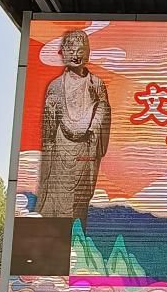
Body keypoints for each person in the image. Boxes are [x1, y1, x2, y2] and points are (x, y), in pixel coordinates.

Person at [36, 29, 112, 225]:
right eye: (71, 51)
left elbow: (104, 110)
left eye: (80, 51)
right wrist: (51, 110)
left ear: (87, 53)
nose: (76, 56)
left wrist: (95, 122)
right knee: (59, 198)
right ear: (63, 53)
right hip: (61, 150)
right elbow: (48, 131)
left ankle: (77, 238)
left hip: (85, 150)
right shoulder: (55, 86)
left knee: (79, 200)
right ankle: (55, 238)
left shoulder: (96, 84)